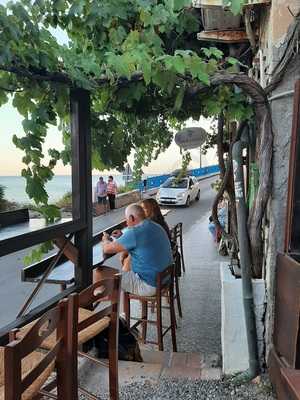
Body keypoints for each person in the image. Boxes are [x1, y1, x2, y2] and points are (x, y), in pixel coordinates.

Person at [98, 204, 173, 297]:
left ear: (131, 217)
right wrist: (122, 237)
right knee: (126, 266)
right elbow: (142, 244)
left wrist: (105, 239)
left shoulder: (135, 232)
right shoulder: (155, 225)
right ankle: (111, 304)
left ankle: (105, 309)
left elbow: (107, 249)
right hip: (164, 279)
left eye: (126, 219)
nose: (126, 223)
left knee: (100, 272)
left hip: (148, 285)